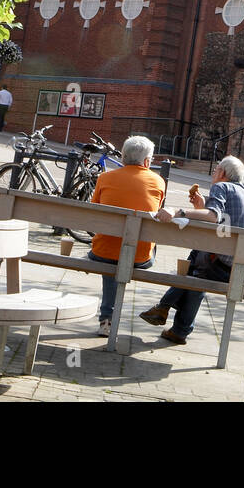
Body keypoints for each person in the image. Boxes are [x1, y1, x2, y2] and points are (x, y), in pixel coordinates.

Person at [142, 156, 244, 345]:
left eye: (216, 169)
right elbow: (222, 221)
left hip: (225, 268)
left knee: (194, 266)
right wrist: (201, 207)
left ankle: (165, 308)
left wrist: (177, 211)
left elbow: (213, 216)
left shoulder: (222, 187)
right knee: (197, 267)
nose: (213, 173)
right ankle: (175, 326)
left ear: (223, 173)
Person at [87, 135, 166, 337]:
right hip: (139, 258)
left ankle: (107, 319)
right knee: (130, 247)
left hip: (102, 252)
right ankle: (109, 318)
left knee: (112, 248)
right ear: (147, 161)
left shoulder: (104, 178)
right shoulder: (158, 182)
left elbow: (94, 213)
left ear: (122, 157)